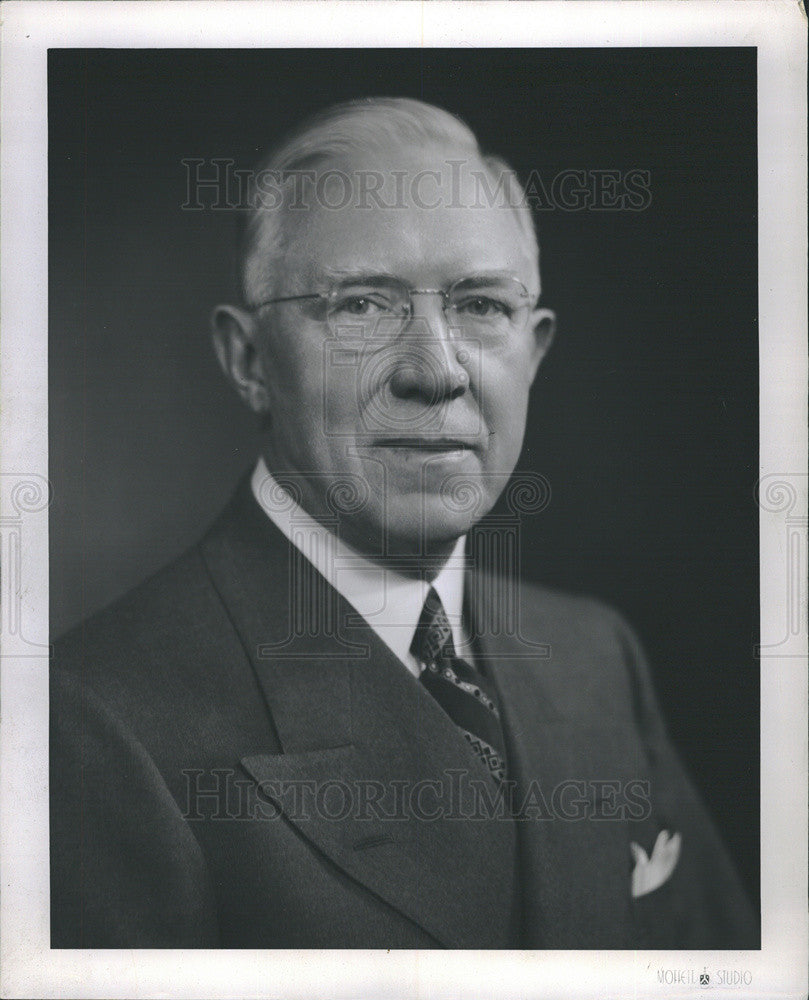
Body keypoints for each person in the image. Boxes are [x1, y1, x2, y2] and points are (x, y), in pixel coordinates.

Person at [50, 97, 757, 949]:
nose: (435, 370)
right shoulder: (89, 721)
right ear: (248, 362)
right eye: (361, 307)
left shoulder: (593, 656)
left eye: (482, 306)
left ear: (532, 353)